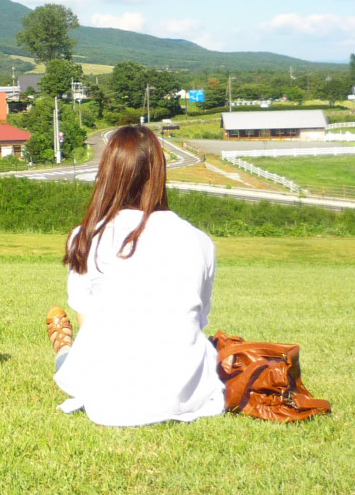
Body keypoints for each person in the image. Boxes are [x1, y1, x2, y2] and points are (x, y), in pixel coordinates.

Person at [47, 124, 225, 426]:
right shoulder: (199, 241)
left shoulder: (85, 237)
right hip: (187, 395)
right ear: (159, 174)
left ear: (107, 173)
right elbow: (199, 319)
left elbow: (89, 325)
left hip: (111, 399)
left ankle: (63, 347)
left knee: (72, 357)